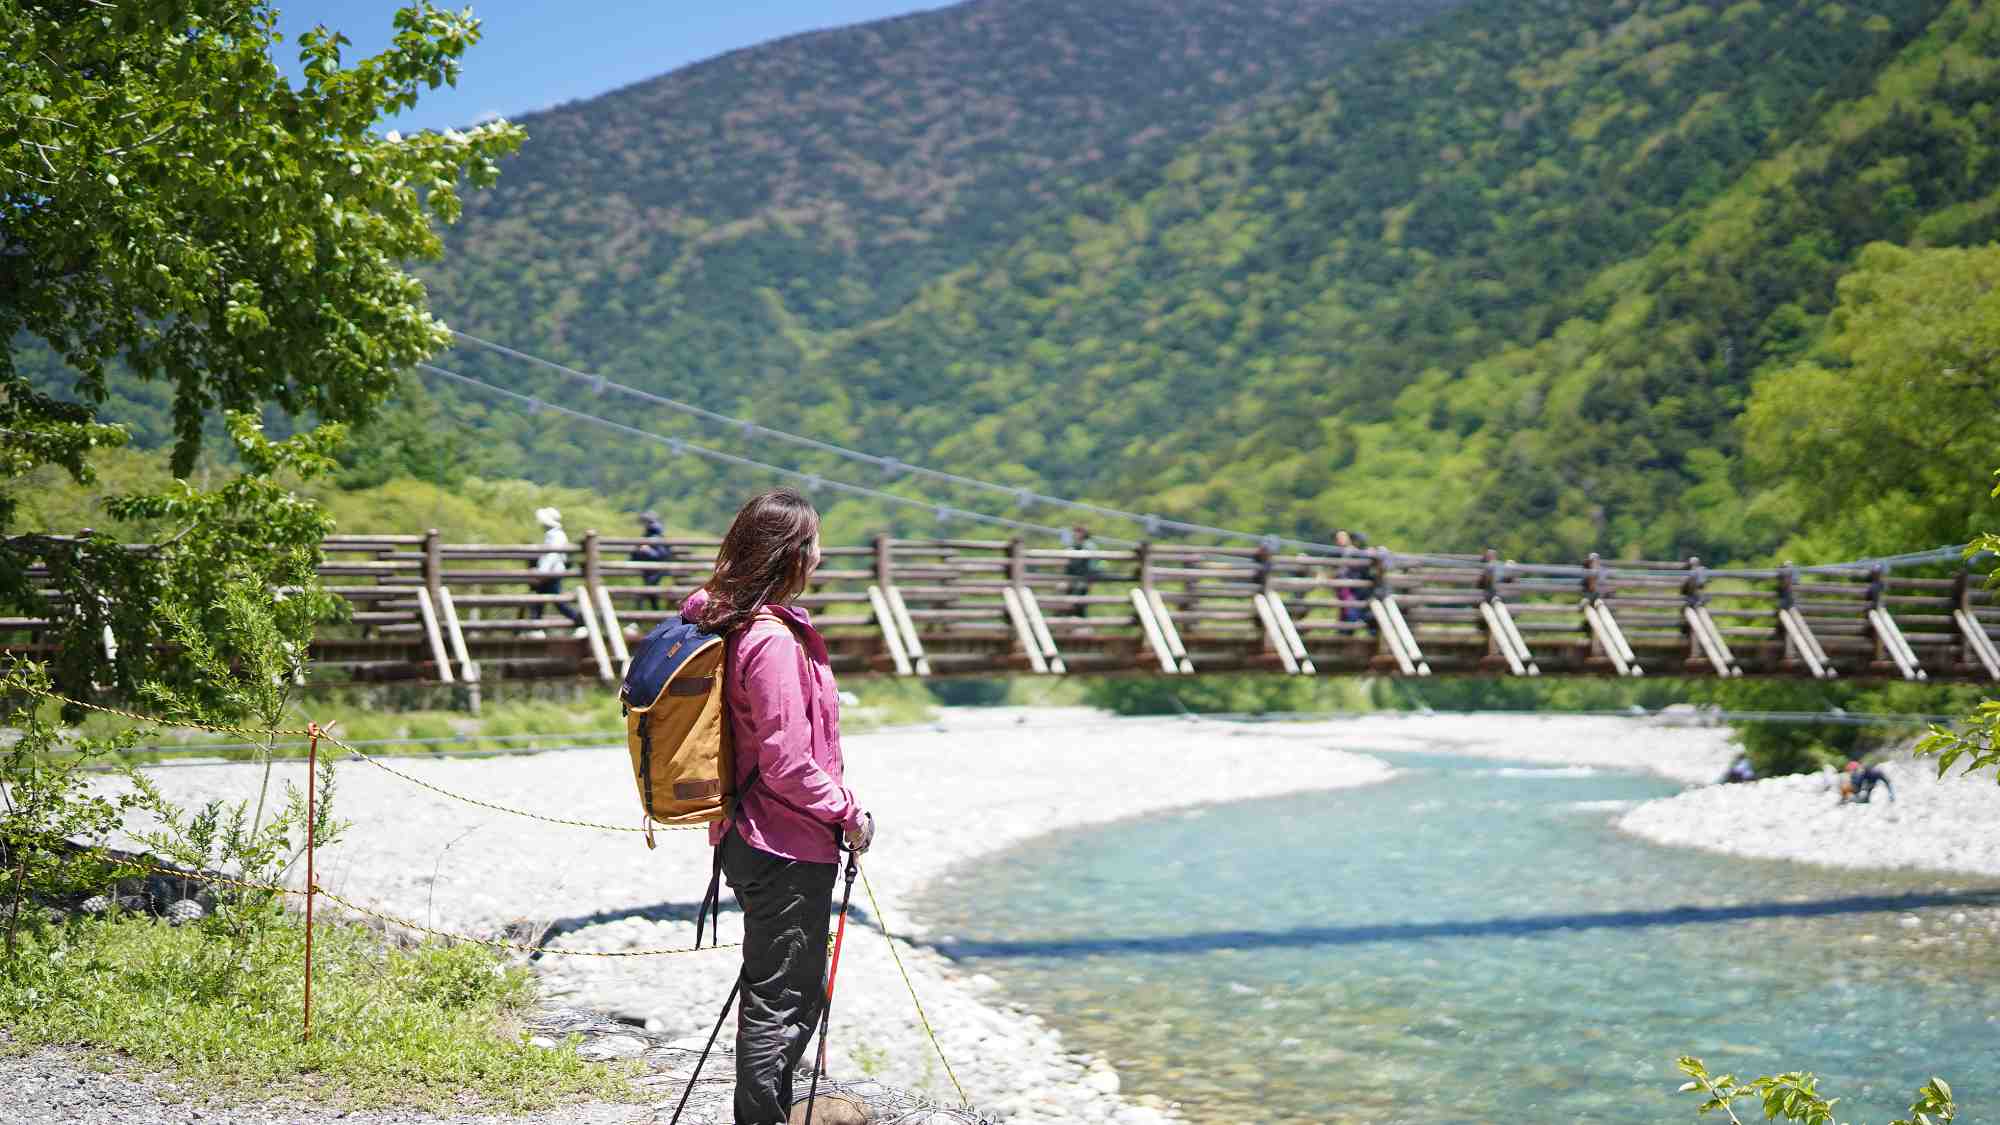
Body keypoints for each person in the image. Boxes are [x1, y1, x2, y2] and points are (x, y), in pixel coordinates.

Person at [680, 488, 874, 1125]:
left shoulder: (735, 623)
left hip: (755, 838)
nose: (820, 556)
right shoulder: (770, 641)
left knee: (781, 991)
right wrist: (848, 812)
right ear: (792, 554)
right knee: (783, 1002)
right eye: (814, 544)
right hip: (782, 845)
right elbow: (788, 761)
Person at [529, 507, 583, 629]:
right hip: (551, 572)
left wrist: (541, 572)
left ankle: (579, 622)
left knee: (555, 600)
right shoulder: (554, 535)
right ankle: (536, 627)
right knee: (542, 599)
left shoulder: (555, 536)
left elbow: (552, 555)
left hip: (551, 572)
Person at [631, 511, 674, 612]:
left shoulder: (654, 538)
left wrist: (647, 551)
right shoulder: (653, 536)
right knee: (650, 591)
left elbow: (660, 556)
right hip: (652, 571)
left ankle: (649, 612)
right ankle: (654, 612)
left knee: (649, 591)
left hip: (656, 571)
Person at [1063, 524, 1104, 617]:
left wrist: (1089, 580)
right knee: (1073, 601)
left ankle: (1080, 622)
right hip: (1075, 579)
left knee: (1079, 601)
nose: (1075, 534)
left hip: (1084, 578)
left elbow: (1092, 565)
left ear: (1083, 533)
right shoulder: (1075, 545)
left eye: (1077, 532)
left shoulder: (1089, 546)